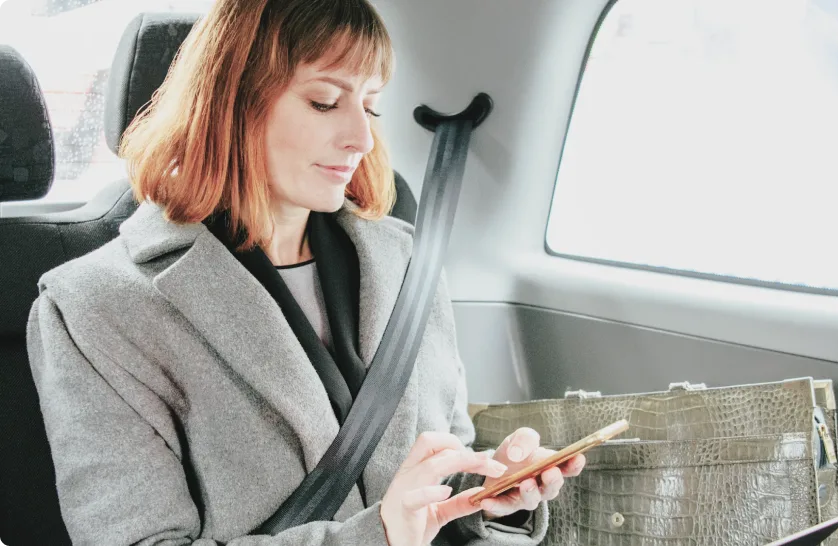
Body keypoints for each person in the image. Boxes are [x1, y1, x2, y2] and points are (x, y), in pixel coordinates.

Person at [26, 1, 585, 545]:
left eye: (369, 106)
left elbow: (442, 468)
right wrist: (381, 535)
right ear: (232, 102)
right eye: (324, 102)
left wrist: (488, 497)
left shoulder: (406, 262)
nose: (362, 140)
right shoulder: (96, 306)